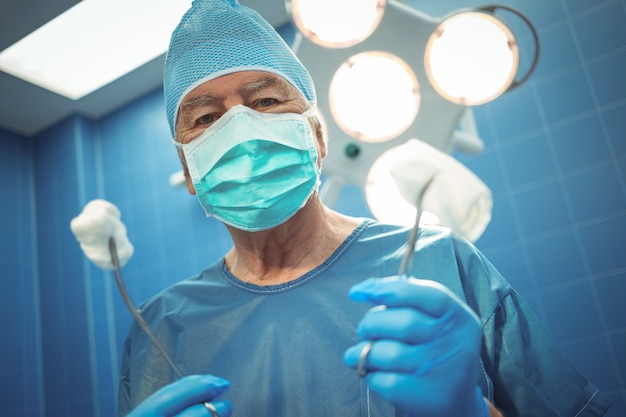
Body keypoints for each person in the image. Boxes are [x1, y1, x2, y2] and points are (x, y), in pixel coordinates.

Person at [117, 0, 612, 416]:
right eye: (205, 117)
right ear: (187, 171)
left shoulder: (437, 265)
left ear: (316, 135)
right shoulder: (160, 329)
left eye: (266, 102)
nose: (239, 128)